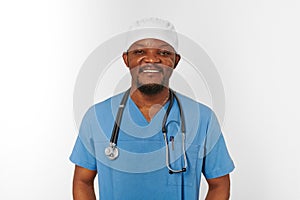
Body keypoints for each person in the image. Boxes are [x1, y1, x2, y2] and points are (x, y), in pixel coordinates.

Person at [70, 18, 235, 200]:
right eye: (140, 51)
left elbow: (219, 184)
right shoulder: (97, 117)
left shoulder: (203, 119)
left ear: (175, 60)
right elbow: (82, 182)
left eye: (164, 52)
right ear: (126, 59)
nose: (152, 59)